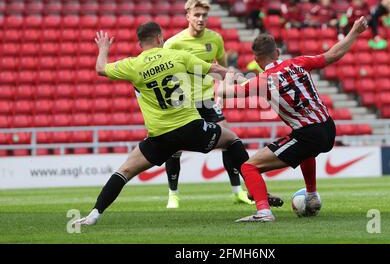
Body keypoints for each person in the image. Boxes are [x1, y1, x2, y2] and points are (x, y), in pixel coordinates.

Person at [75, 22, 256, 225]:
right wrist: (241, 79)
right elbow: (214, 68)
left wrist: (103, 49)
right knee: (231, 139)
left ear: (140, 43)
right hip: (190, 127)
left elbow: (100, 69)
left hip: (160, 136)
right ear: (160, 38)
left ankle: (94, 215)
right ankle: (259, 196)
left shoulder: (133, 65)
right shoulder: (177, 56)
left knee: (125, 170)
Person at [219, 16, 368, 222]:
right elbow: (333, 54)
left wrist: (226, 74)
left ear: (256, 60)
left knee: (249, 167)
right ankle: (311, 195)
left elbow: (227, 93)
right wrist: (355, 32)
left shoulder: (262, 81)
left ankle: (264, 212)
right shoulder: (299, 63)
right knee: (308, 151)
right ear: (277, 53)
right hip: (328, 127)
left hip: (308, 133)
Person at [162, 0, 274, 208]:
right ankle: (173, 194)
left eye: (204, 15)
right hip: (183, 102)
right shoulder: (173, 43)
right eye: (197, 15)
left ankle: (237, 191)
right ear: (188, 16)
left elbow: (223, 70)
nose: (201, 19)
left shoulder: (215, 39)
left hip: (207, 99)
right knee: (174, 148)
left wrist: (222, 91)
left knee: (229, 141)